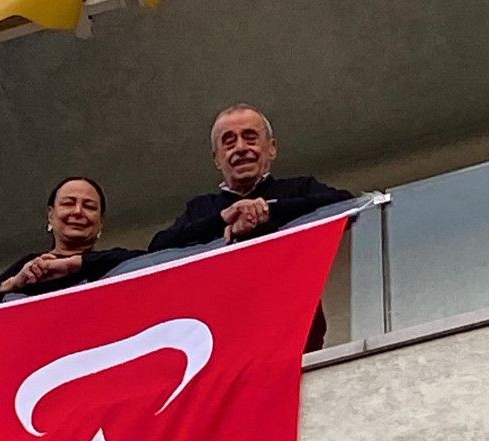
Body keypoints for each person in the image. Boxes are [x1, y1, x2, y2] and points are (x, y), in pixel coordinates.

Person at [148, 104, 354, 351]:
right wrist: (223, 220)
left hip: (293, 329)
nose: (240, 148)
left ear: (271, 148)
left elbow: (346, 205)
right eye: (229, 142)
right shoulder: (201, 208)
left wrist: (268, 211)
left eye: (250, 138)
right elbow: (159, 248)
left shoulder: (298, 189)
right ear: (217, 159)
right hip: (224, 337)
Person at [0, 177, 144, 302]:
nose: (77, 211)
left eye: (89, 206)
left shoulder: (115, 263)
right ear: (51, 216)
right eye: (68, 203)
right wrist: (12, 285)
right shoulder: (31, 267)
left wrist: (74, 264)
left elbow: (153, 260)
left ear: (100, 223)